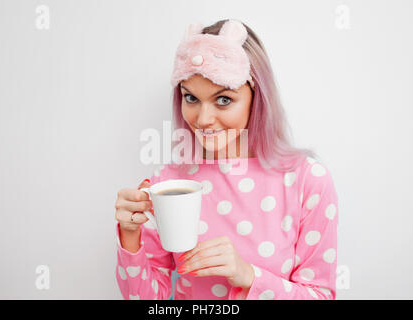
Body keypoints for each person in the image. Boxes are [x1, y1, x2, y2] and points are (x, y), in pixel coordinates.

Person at [114, 19, 339, 300]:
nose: (204, 119)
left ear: (257, 99)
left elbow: (320, 296)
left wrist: (249, 277)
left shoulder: (307, 180)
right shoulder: (169, 184)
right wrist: (130, 235)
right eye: (191, 98)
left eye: (223, 100)